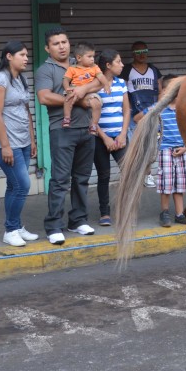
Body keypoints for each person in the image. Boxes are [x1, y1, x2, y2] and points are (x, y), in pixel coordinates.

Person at [35, 26, 97, 245]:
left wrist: (85, 89)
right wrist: (78, 99)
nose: (61, 46)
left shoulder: (81, 64)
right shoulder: (46, 70)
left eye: (64, 42)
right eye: (56, 43)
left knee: (82, 178)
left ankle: (78, 220)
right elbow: (44, 97)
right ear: (47, 48)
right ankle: (53, 226)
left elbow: (98, 80)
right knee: (60, 180)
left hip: (87, 129)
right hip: (62, 129)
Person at [0, 40, 39, 247]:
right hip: (7, 144)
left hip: (23, 142)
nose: (26, 59)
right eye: (22, 55)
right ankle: (10, 229)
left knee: (13, 186)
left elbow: (26, 111)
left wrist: (32, 140)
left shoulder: (20, 79)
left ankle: (16, 226)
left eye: (26, 55)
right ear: (9, 56)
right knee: (22, 185)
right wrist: (5, 145)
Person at [93, 48, 131, 227]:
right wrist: (105, 138)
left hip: (120, 137)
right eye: (118, 62)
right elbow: (90, 116)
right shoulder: (94, 85)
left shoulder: (122, 83)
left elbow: (126, 110)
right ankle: (104, 213)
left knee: (129, 173)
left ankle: (126, 210)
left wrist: (123, 134)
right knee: (104, 175)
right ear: (108, 65)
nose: (122, 65)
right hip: (100, 139)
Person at [121, 40, 163, 186]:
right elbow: (123, 92)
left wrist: (158, 108)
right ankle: (134, 177)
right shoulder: (127, 70)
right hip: (134, 115)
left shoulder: (154, 70)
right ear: (133, 54)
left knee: (149, 146)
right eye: (138, 52)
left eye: (144, 51)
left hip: (151, 113)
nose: (142, 55)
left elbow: (160, 91)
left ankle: (147, 175)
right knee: (134, 146)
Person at [157, 75, 186, 227]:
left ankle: (179, 213)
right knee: (167, 184)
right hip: (165, 151)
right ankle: (164, 212)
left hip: (182, 150)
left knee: (180, 185)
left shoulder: (184, 110)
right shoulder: (160, 111)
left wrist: (185, 148)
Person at [62, 42, 107, 132]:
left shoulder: (94, 67)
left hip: (89, 92)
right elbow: (65, 80)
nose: (92, 59)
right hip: (74, 88)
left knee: (97, 104)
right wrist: (67, 89)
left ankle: (94, 125)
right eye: (89, 56)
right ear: (79, 58)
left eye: (93, 56)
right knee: (67, 100)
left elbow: (101, 77)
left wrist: (106, 85)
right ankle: (67, 118)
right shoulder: (72, 68)